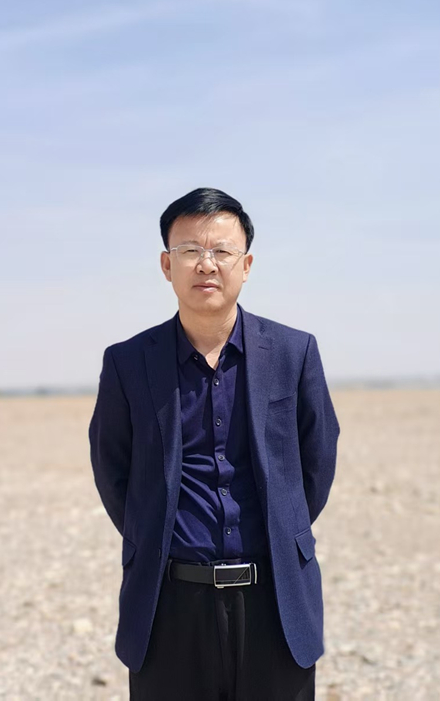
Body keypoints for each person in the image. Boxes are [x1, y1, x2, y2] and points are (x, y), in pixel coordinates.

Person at [89, 187, 340, 700]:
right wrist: (152, 533)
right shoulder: (128, 362)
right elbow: (112, 469)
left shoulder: (293, 352)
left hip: (276, 598)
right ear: (167, 265)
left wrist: (284, 528)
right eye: (189, 250)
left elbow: (317, 461)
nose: (206, 264)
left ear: (246, 265)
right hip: (168, 603)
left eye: (222, 250)